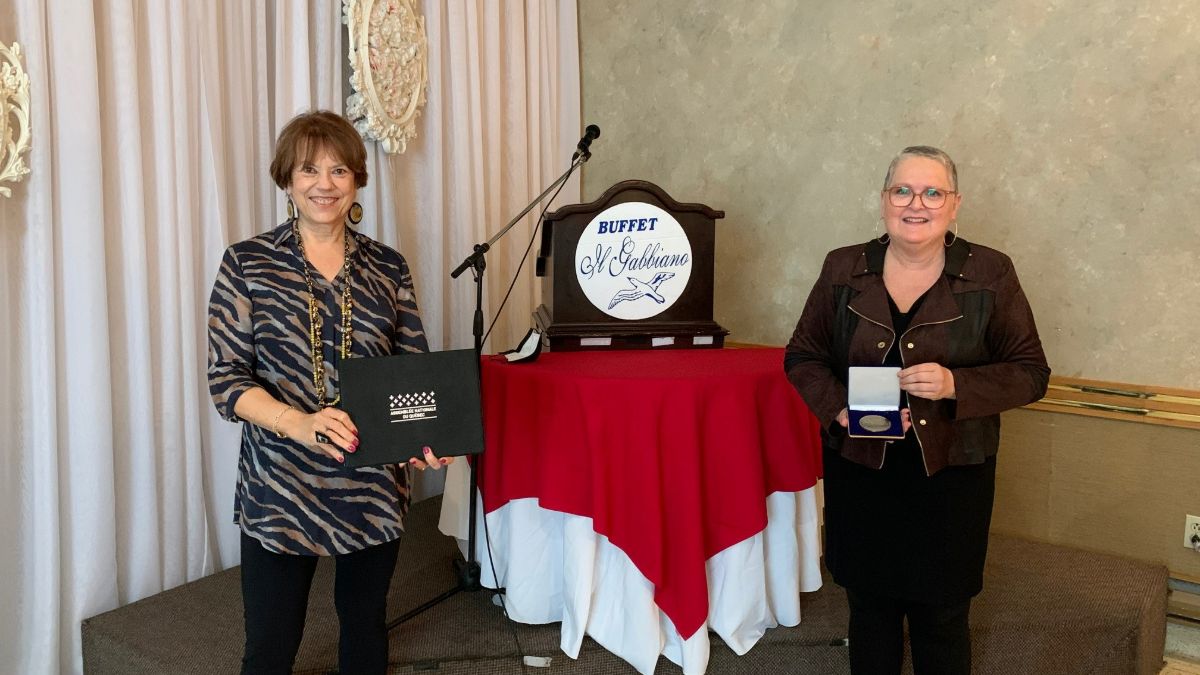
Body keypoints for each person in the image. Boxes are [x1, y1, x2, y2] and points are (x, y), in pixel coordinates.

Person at [784, 146, 1049, 675]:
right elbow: (804, 356)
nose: (916, 204)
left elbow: (1030, 371)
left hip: (952, 474)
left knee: (943, 615)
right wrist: (839, 411)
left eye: (933, 192)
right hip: (860, 469)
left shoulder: (991, 272)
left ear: (954, 205)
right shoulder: (844, 268)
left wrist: (957, 383)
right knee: (869, 608)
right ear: (884, 200)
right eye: (903, 190)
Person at [207, 110, 454, 675]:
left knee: (364, 632)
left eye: (339, 169)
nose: (325, 184)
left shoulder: (387, 267)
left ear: (357, 179)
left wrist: (426, 437)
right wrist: (299, 422)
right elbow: (226, 381)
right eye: (309, 170)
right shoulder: (247, 263)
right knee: (270, 646)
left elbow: (410, 372)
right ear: (287, 180)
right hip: (281, 484)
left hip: (370, 484)